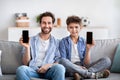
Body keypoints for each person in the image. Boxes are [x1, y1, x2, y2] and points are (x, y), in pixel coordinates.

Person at [58, 15, 111, 79]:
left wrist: (88, 49)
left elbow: (87, 64)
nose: (74, 30)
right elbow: (64, 61)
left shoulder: (84, 41)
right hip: (71, 67)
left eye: (76, 27)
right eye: (71, 27)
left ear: (80, 28)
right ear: (67, 28)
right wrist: (77, 67)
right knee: (62, 61)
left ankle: (82, 74)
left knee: (107, 60)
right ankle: (91, 75)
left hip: (83, 66)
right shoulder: (63, 42)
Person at [16, 12, 65, 80]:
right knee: (21, 69)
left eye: (49, 23)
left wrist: (49, 66)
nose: (46, 25)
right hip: (33, 70)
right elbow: (25, 63)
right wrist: (27, 47)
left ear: (52, 25)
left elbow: (59, 60)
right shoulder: (31, 40)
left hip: (49, 71)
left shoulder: (57, 42)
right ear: (40, 24)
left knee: (60, 68)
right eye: (44, 23)